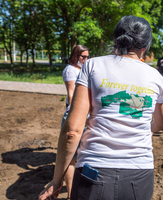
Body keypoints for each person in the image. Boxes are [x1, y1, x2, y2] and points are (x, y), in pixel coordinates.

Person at [38, 15, 163, 200]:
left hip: (93, 173)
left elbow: (72, 131)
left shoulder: (93, 65)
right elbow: (161, 123)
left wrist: (56, 180)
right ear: (145, 47)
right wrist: (147, 128)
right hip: (140, 175)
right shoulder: (156, 77)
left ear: (115, 40)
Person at [61, 44, 89, 199]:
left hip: (85, 114)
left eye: (87, 56)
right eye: (82, 56)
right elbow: (72, 95)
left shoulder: (81, 69)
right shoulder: (70, 70)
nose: (85, 59)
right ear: (75, 55)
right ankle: (72, 194)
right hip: (77, 114)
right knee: (71, 158)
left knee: (79, 155)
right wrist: (77, 117)